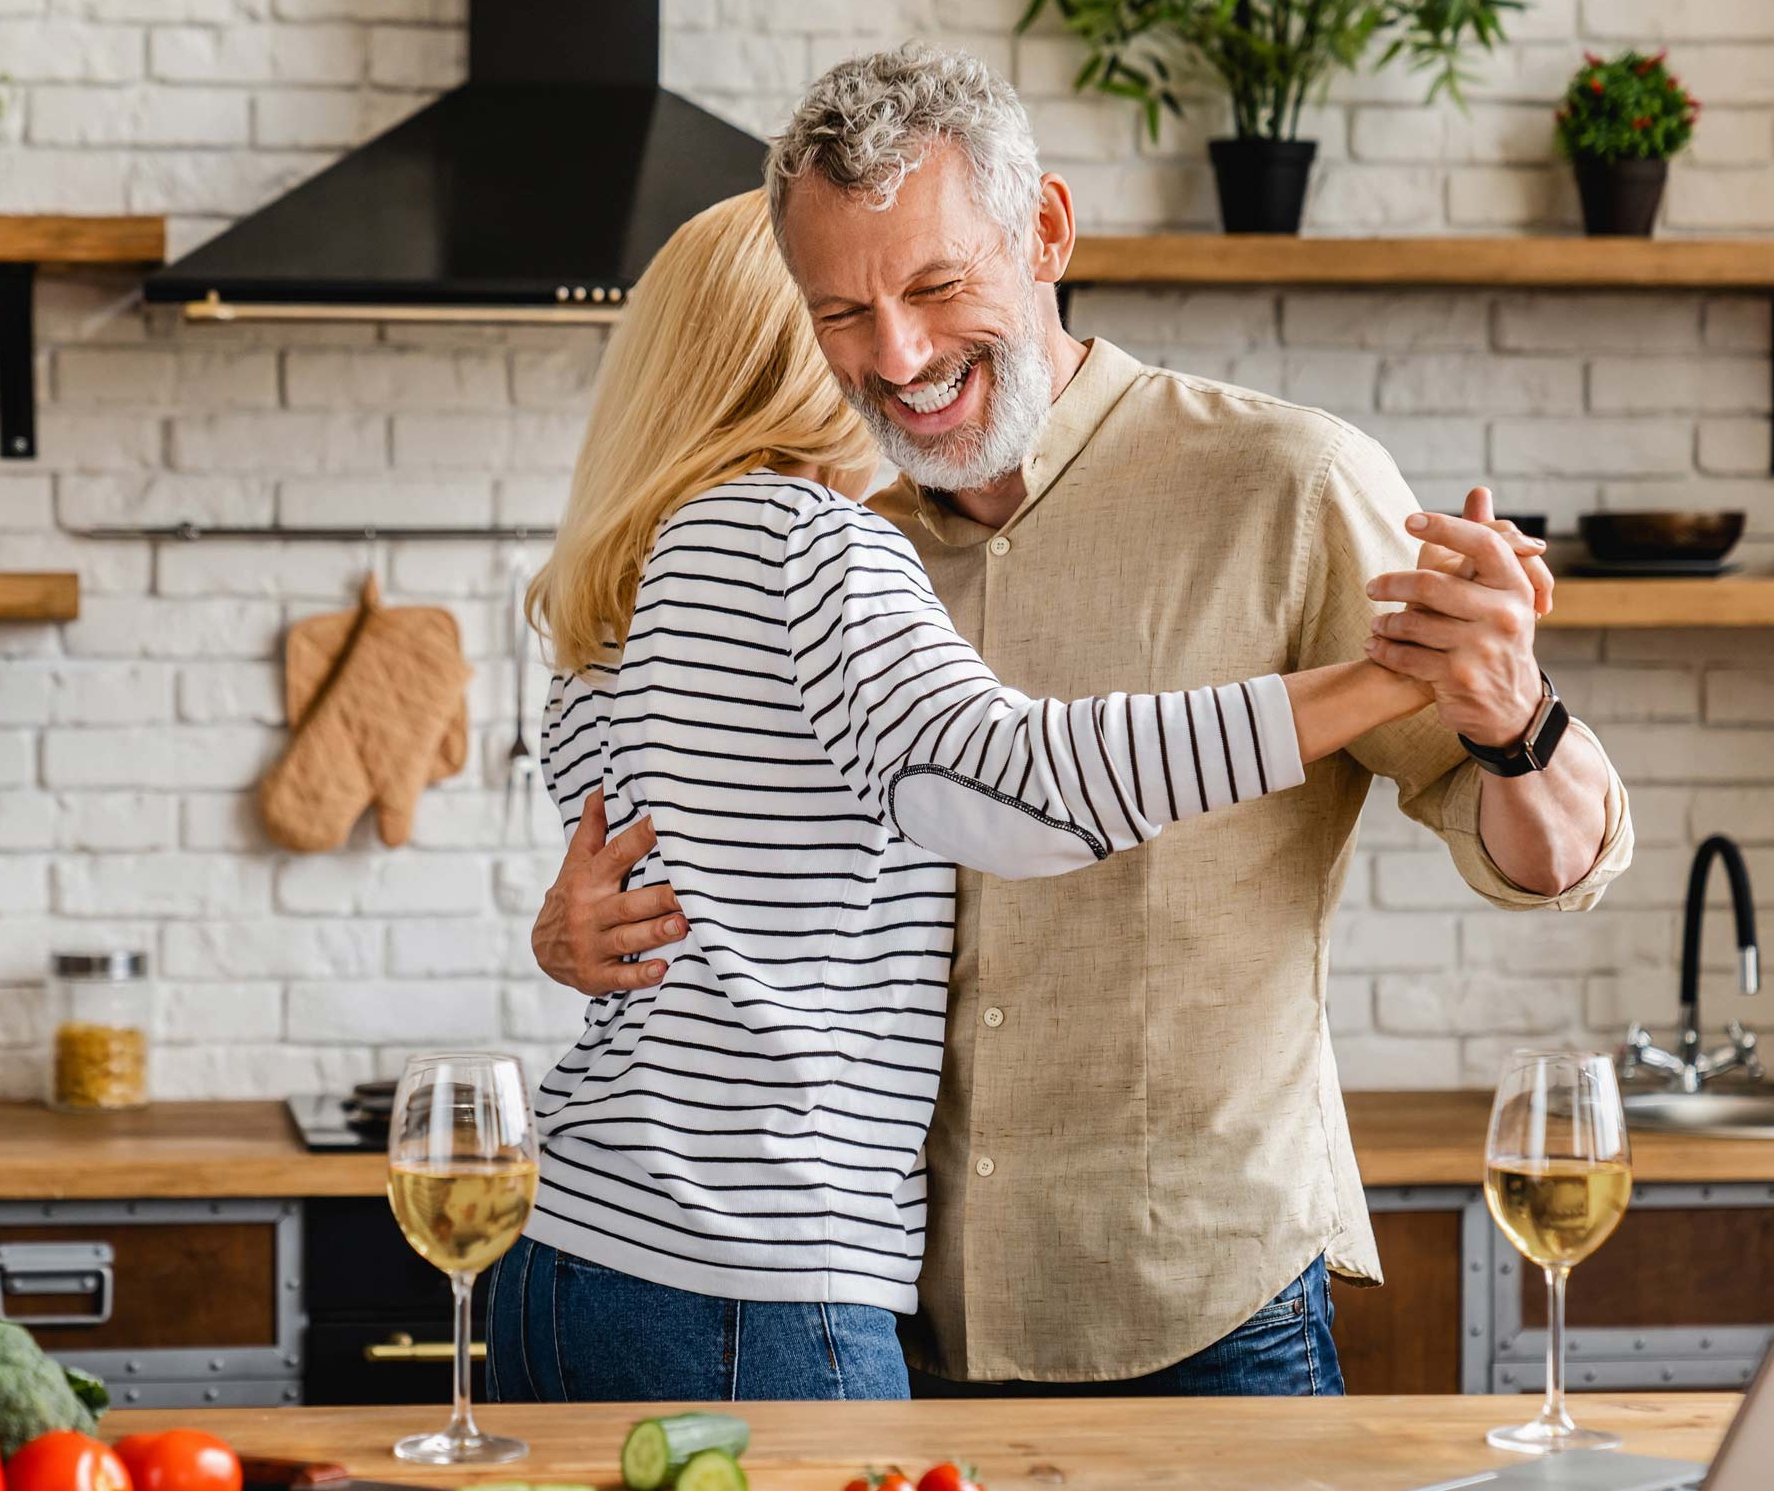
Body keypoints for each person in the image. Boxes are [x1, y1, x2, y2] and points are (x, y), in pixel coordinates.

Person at [529, 46, 1633, 1399]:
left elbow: (1545, 860)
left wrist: (1513, 717)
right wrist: (576, 925)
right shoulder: (834, 540)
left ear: (1045, 230)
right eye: (844, 315)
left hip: (1201, 1312)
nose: (902, 356)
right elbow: (756, 857)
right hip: (901, 1311)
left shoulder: (1286, 482)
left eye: (937, 288)